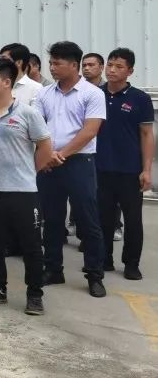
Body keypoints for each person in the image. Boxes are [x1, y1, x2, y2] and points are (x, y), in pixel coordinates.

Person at [0, 58, 53, 315]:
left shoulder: (27, 113)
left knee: (31, 246)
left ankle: (35, 295)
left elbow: (45, 147)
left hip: (23, 193)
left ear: (6, 82)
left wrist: (29, 171)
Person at [33, 41, 108, 298]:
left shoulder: (92, 93)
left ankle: (95, 275)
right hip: (49, 162)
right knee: (52, 219)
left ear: (74, 65)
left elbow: (90, 131)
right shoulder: (44, 94)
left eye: (57, 63)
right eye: (51, 63)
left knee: (88, 220)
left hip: (79, 162)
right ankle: (53, 269)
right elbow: (36, 125)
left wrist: (61, 154)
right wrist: (47, 154)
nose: (52, 68)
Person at [96, 48, 154, 280]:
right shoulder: (95, 94)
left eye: (119, 66)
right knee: (102, 217)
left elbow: (147, 135)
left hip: (130, 170)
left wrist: (146, 169)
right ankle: (104, 259)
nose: (112, 70)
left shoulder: (140, 98)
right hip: (100, 167)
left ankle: (131, 264)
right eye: (110, 65)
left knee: (132, 220)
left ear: (130, 71)